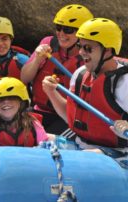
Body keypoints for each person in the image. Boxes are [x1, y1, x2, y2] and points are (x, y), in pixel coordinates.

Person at [42, 18, 128, 165]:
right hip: (81, 144)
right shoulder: (81, 73)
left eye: (88, 48)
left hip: (119, 152)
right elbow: (71, 116)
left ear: (107, 50)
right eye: (80, 46)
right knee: (40, 140)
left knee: (87, 158)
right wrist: (51, 93)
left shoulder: (124, 83)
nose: (81, 52)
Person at [20, 4, 94, 134]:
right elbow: (24, 78)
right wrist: (37, 59)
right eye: (58, 28)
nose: (61, 34)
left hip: (67, 115)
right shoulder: (47, 43)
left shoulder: (89, 55)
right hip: (39, 111)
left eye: (68, 30)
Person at [0, 77, 51, 150]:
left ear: (22, 103)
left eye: (12, 98)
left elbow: (45, 153)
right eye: (0, 100)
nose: (6, 102)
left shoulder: (34, 125)